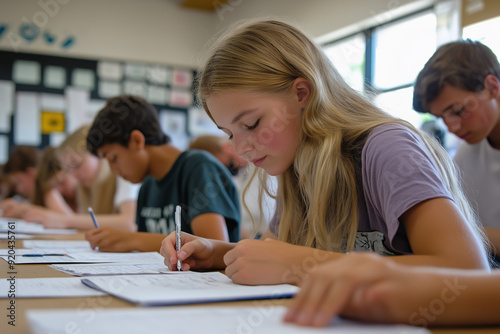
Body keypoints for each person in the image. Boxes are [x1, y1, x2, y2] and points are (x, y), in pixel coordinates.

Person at [160, 19, 490, 285]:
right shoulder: (295, 164)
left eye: (251, 123)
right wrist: (216, 252)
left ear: (302, 93)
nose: (240, 148)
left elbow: (467, 270)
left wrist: (305, 266)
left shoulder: (385, 148)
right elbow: (274, 254)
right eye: (229, 133)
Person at [84, 95, 240, 252]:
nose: (113, 170)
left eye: (113, 158)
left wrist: (131, 239)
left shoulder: (198, 167)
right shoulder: (148, 187)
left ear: (137, 141)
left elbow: (216, 247)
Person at [413, 39, 500, 263]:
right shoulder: (465, 156)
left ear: (491, 88)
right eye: (443, 118)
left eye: (458, 111)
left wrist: (464, 235)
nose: (452, 127)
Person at [284, 252, 500, 327]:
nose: (247, 149)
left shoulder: (386, 151)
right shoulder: (290, 178)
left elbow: (469, 265)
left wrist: (422, 290)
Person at [22, 125, 140, 230]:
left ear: (99, 155)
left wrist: (66, 221)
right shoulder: (85, 187)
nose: (74, 175)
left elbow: (130, 223)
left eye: (77, 165)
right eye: (69, 170)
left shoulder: (124, 174)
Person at [189, 134, 276, 239]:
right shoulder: (237, 177)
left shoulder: (267, 169)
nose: (219, 172)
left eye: (216, 166)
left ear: (227, 149)